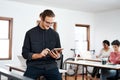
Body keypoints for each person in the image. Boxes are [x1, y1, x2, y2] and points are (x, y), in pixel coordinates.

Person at [22, 9, 62, 80]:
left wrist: (57, 56)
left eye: (51, 23)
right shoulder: (30, 33)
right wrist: (39, 55)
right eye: (47, 22)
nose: (49, 25)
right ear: (41, 18)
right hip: (34, 66)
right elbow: (25, 54)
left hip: (51, 66)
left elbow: (59, 54)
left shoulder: (55, 34)